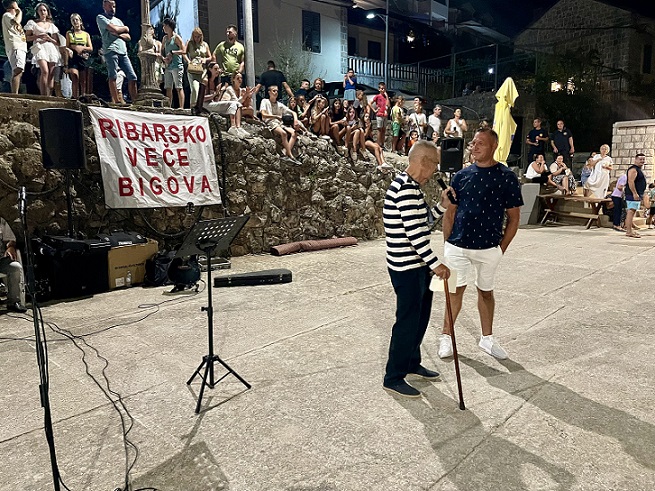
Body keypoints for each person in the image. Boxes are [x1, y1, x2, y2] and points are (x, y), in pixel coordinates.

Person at [439, 127, 523, 360]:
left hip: (489, 249)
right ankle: (446, 336)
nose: (474, 147)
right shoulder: (461, 176)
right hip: (458, 246)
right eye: (473, 143)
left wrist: (501, 249)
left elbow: (514, 218)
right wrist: (447, 244)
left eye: (480, 144)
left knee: (486, 292)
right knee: (454, 291)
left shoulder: (506, 177)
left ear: (493, 146)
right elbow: (450, 212)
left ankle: (487, 339)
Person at [383, 139, 451, 398]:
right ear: (424, 162)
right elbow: (415, 235)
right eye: (435, 164)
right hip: (407, 268)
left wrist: (442, 207)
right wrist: (437, 265)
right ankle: (394, 376)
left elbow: (422, 224)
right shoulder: (406, 190)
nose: (436, 171)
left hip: (415, 266)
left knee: (420, 318)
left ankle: (411, 362)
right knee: (408, 322)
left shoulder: (410, 186)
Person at [96, 0, 137, 104]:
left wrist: (120, 32)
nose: (112, 9)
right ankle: (117, 102)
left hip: (123, 51)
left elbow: (128, 36)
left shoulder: (118, 21)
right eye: (110, 6)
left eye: (114, 6)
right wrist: (122, 30)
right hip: (111, 50)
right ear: (104, 6)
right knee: (113, 75)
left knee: (132, 76)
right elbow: (113, 28)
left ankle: (135, 101)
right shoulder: (101, 18)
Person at [202, 64, 248, 138]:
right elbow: (202, 98)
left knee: (237, 104)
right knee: (233, 103)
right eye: (215, 69)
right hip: (205, 105)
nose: (218, 71)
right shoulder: (206, 81)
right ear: (210, 69)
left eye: (218, 69)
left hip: (212, 103)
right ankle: (232, 127)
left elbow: (216, 100)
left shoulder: (216, 81)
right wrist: (214, 94)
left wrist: (220, 92)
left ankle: (238, 127)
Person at [24, 2, 60, 96]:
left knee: (51, 73)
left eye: (44, 10)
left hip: (51, 48)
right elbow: (26, 38)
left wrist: (49, 38)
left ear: (47, 12)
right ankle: (43, 95)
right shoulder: (33, 23)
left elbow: (57, 42)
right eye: (40, 10)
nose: (43, 12)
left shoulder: (52, 26)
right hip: (39, 47)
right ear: (37, 12)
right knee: (45, 71)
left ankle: (49, 94)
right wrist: (37, 36)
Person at [259, 85, 299, 163]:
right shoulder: (265, 101)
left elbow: (293, 112)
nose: (276, 92)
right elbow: (263, 114)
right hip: (270, 122)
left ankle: (285, 153)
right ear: (269, 92)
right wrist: (275, 116)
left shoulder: (279, 104)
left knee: (294, 133)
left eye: (277, 91)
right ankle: (290, 156)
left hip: (279, 123)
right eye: (274, 91)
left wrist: (296, 120)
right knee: (283, 133)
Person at [0, 217, 26, 312]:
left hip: (1, 261)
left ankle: (13, 301)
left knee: (15, 267)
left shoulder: (1, 221)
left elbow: (10, 239)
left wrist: (10, 246)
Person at [2, 1, 27, 94]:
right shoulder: (7, 15)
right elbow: (16, 21)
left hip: (21, 46)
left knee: (19, 71)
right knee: (17, 70)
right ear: (12, 5)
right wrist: (19, 12)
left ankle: (15, 93)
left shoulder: (11, 16)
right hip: (15, 46)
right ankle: (14, 94)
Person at [65, 13, 92, 98]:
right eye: (73, 20)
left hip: (82, 57)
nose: (75, 22)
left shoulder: (86, 34)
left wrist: (82, 48)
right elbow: (67, 46)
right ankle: (74, 96)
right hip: (73, 57)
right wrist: (72, 48)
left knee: (83, 80)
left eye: (76, 20)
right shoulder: (69, 33)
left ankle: (83, 96)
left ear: (80, 21)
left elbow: (91, 48)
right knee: (74, 76)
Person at [161, 18, 185, 109]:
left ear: (169, 27)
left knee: (178, 87)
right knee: (168, 87)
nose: (163, 28)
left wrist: (173, 52)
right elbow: (162, 50)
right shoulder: (165, 38)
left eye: (165, 26)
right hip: (168, 66)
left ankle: (181, 107)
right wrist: (164, 58)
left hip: (176, 65)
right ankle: (168, 107)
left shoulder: (176, 38)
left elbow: (184, 50)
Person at [185, 27, 211, 107]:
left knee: (202, 89)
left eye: (198, 37)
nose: (196, 38)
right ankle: (193, 106)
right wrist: (189, 61)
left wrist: (205, 59)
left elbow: (210, 57)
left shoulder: (205, 45)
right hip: (193, 68)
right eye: (195, 36)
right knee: (195, 88)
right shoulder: (189, 43)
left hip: (202, 69)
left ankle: (199, 106)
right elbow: (184, 53)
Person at [624, 153, 647, 238]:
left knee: (632, 211)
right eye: (640, 159)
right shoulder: (633, 169)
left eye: (643, 159)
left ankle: (630, 229)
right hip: (632, 194)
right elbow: (631, 181)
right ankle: (629, 231)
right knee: (631, 211)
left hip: (637, 194)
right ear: (636, 159)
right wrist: (634, 193)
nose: (642, 161)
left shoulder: (638, 169)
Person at [371, 82, 390, 149]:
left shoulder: (385, 97)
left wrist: (387, 96)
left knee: (384, 129)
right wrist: (374, 110)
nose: (383, 90)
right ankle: (378, 143)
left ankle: (382, 144)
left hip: (385, 115)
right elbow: (370, 103)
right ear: (379, 89)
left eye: (384, 89)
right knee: (379, 129)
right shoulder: (377, 96)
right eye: (381, 88)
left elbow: (388, 105)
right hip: (379, 114)